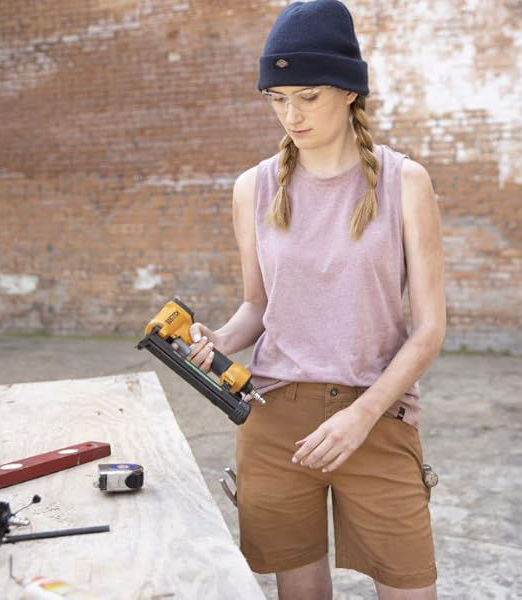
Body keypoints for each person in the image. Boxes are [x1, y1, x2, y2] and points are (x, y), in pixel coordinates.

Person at [178, 1, 445, 598]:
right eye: (277, 98)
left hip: (375, 418)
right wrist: (220, 340)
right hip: (274, 421)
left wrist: (362, 414)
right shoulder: (254, 188)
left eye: (306, 96)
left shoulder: (407, 183)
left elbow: (429, 329)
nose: (289, 114)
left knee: (410, 586)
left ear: (349, 90)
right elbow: (258, 305)